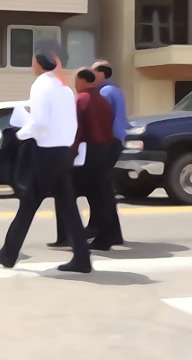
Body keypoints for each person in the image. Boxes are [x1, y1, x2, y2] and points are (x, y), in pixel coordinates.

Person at [0, 51, 92, 273]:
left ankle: (9, 253)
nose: (31, 64)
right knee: (68, 205)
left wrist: (18, 136)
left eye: (32, 60)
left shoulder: (41, 84)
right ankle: (82, 258)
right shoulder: (64, 88)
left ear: (39, 64)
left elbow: (39, 123)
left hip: (46, 153)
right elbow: (71, 123)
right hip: (63, 152)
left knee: (30, 202)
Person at [51, 68, 123, 251]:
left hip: (85, 152)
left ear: (82, 81)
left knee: (66, 193)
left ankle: (68, 236)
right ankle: (105, 238)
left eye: (76, 80)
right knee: (99, 196)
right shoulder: (104, 101)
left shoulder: (81, 100)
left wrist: (70, 153)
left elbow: (77, 130)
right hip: (103, 151)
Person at [92, 60, 130, 159]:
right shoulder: (116, 90)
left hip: (111, 140)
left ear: (101, 74)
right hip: (121, 138)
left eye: (92, 73)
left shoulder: (105, 92)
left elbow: (101, 119)